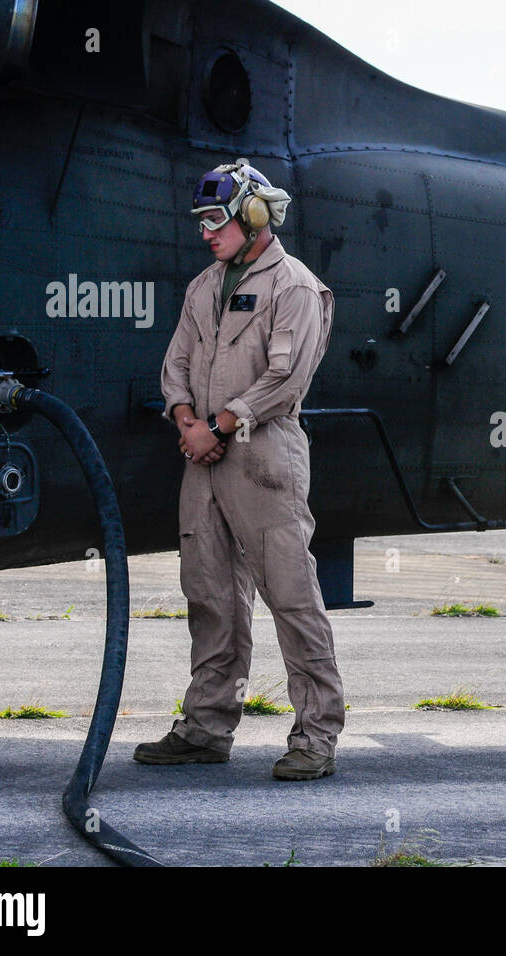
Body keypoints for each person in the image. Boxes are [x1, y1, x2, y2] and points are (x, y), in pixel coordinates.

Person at [135, 158, 345, 781]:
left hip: (264, 455)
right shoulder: (204, 286)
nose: (206, 232)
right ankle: (205, 726)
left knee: (291, 596)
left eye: (215, 219)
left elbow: (287, 378)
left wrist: (218, 426)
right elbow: (175, 363)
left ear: (254, 216)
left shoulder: (296, 288)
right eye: (200, 221)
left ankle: (316, 735)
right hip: (202, 460)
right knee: (210, 597)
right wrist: (187, 424)